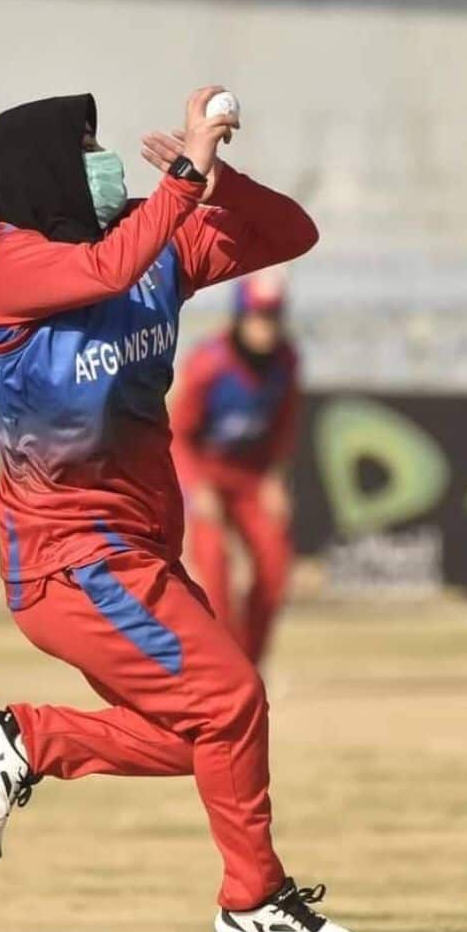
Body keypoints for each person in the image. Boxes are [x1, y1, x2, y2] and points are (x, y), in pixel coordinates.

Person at [0, 87, 363, 932]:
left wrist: (219, 180)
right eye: (86, 145)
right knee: (233, 703)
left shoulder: (151, 241)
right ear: (40, 171)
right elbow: (95, 274)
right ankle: (253, 897)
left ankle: (28, 739)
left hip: (138, 555)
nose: (102, 159)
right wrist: (184, 178)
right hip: (69, 563)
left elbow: (292, 234)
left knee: (210, 736)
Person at [172, 272, 299, 665]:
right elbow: (177, 434)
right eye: (258, 317)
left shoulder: (286, 362)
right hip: (206, 473)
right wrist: (195, 489)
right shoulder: (210, 364)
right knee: (215, 567)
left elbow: (283, 425)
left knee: (275, 564)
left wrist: (275, 476)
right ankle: (225, 665)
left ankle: (250, 665)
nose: (266, 328)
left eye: (273, 317)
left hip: (251, 476)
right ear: (241, 317)